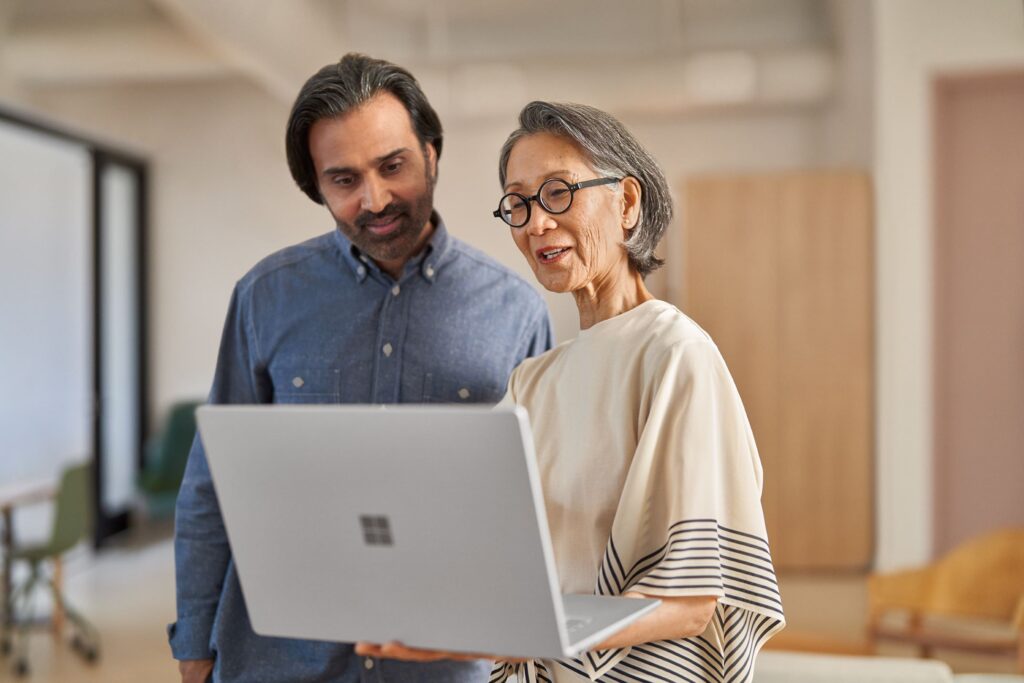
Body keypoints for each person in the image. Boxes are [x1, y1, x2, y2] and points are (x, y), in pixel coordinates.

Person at [358, 101, 785, 682]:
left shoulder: (676, 354)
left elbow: (690, 603)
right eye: (518, 203)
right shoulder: (532, 381)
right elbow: (484, 548)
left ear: (627, 203)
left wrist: (533, 630)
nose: (535, 223)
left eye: (559, 192)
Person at [168, 55, 552, 683]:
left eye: (392, 166)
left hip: (445, 663)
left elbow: (535, 510)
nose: (374, 199)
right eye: (343, 180)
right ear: (317, 186)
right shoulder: (265, 297)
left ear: (432, 153)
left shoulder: (514, 311)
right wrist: (193, 647)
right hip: (278, 661)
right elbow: (211, 486)